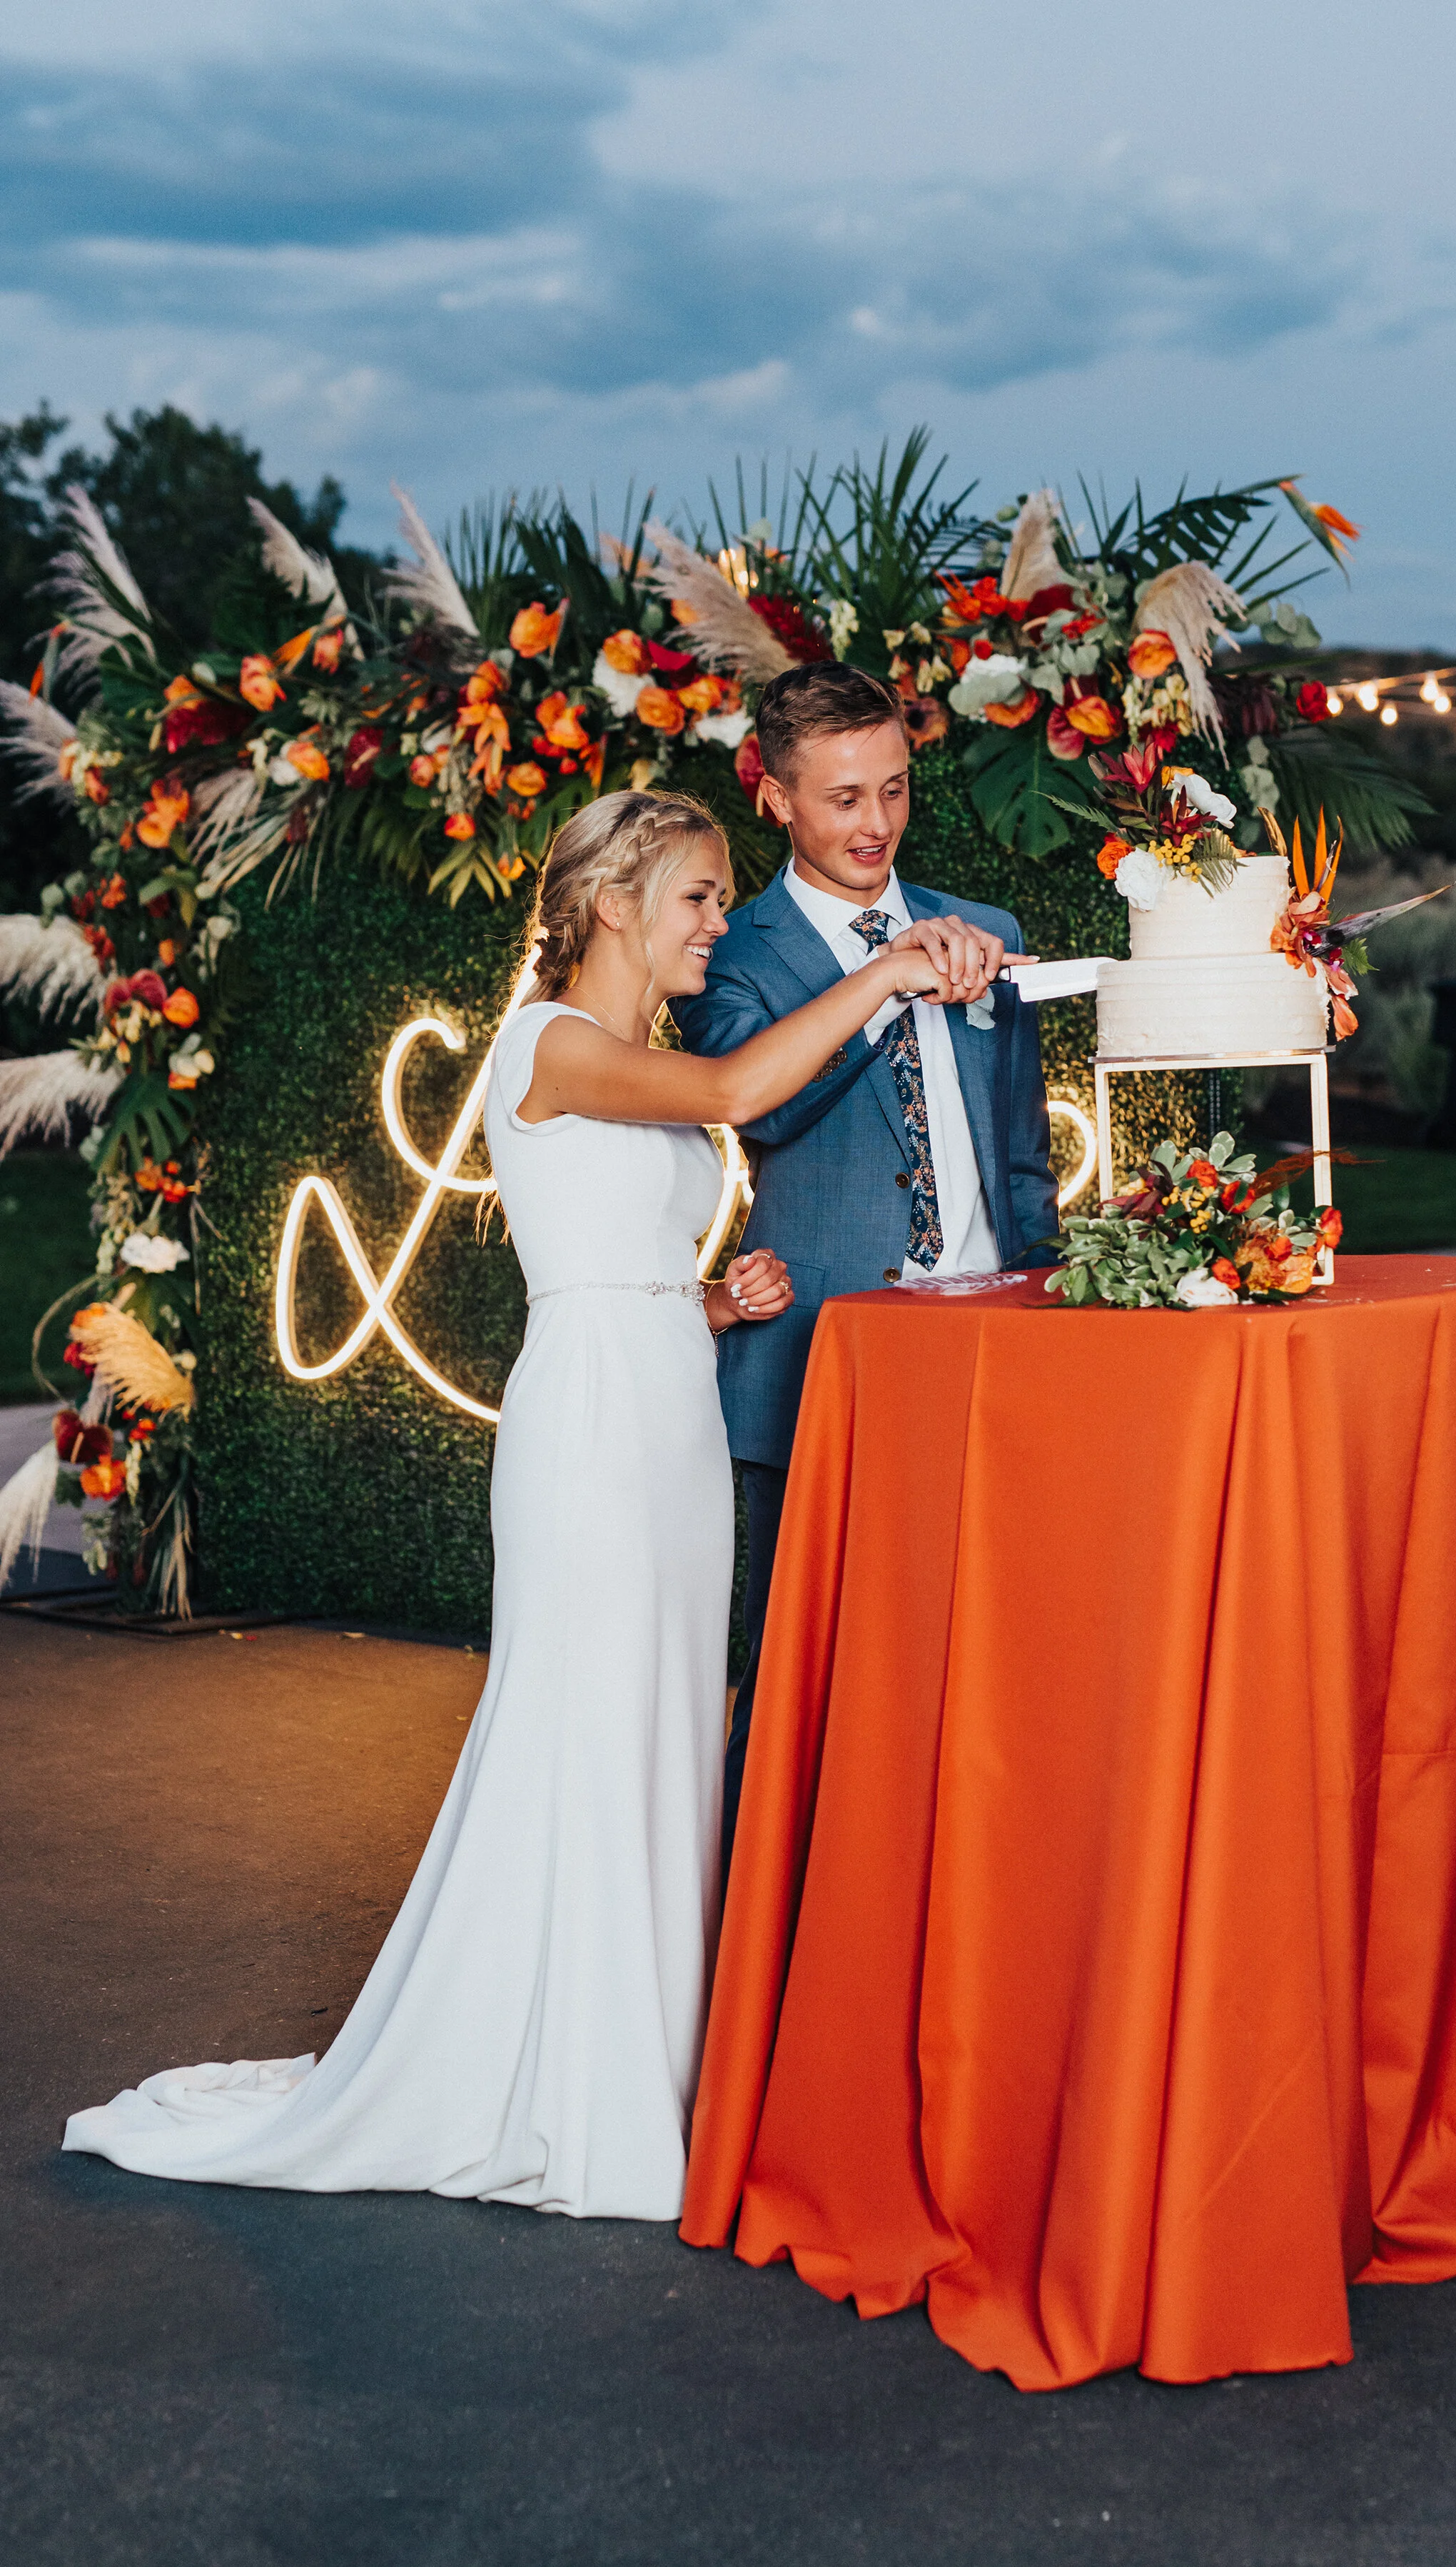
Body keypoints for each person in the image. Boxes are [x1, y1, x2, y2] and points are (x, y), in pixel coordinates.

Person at [64, 789, 994, 2221]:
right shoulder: (549, 1041)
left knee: (663, 1727)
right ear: (616, 900)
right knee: (591, 1726)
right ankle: (584, 2091)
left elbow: (612, 1238)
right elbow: (743, 1098)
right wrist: (884, 969)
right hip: (596, 1432)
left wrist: (708, 1295)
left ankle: (652, 2063)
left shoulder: (632, 1051)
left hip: (667, 1399)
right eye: (695, 897)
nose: (713, 926)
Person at [673, 665, 1058, 1871]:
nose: (875, 824)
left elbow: (1024, 1149)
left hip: (994, 1345)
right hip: (819, 1355)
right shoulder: (727, 952)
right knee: (803, 1678)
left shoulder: (985, 930)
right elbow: (765, 1111)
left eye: (892, 789)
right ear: (774, 798)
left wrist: (1048, 1295)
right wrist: (884, 981)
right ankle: (762, 1959)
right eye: (842, 799)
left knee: (989, 1670)